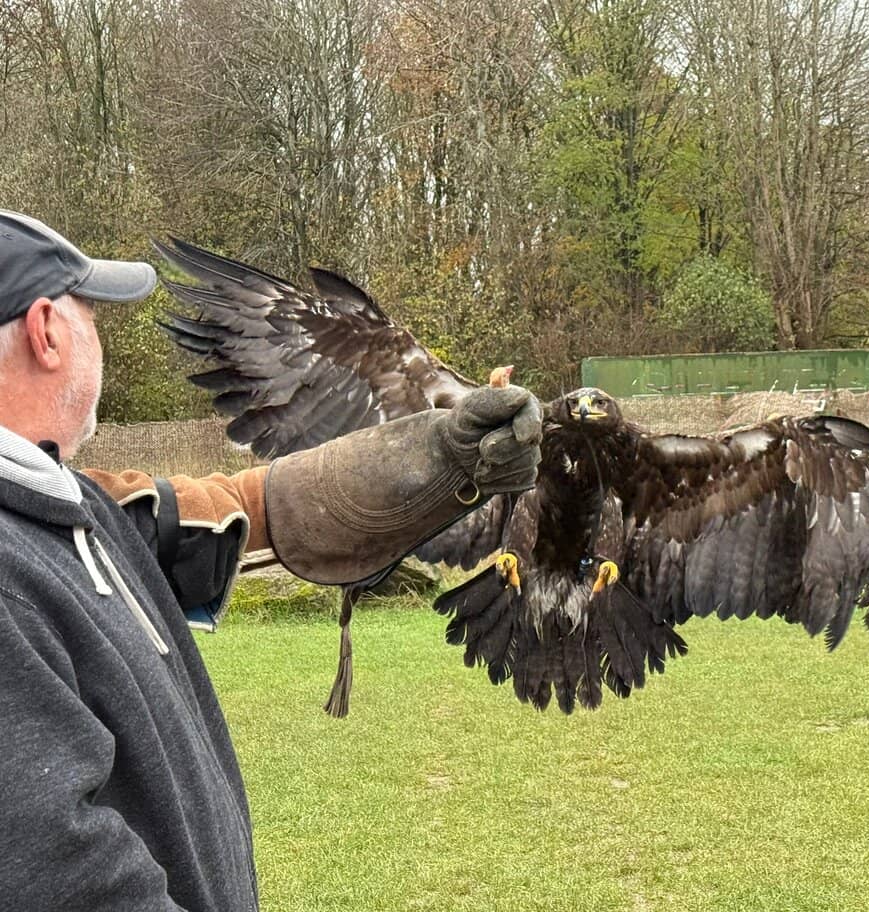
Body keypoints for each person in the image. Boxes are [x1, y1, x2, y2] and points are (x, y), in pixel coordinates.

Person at [0, 210, 543, 911]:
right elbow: (60, 880)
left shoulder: (60, 504)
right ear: (47, 332)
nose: (99, 335)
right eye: (91, 314)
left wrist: (443, 458)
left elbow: (228, 514)